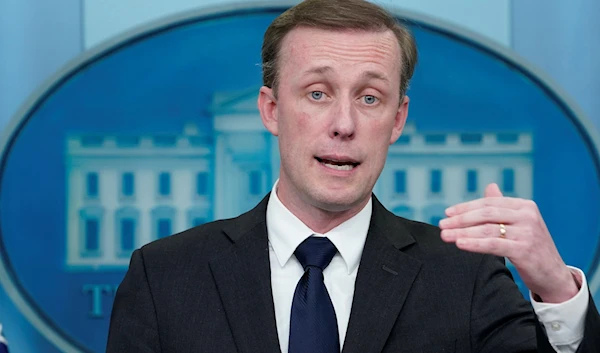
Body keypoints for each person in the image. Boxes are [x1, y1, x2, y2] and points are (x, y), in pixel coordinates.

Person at [106, 0, 600, 352]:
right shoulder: (165, 277)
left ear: (398, 120)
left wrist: (557, 291)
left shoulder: (466, 277)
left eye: (369, 98)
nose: (344, 124)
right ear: (272, 109)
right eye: (318, 93)